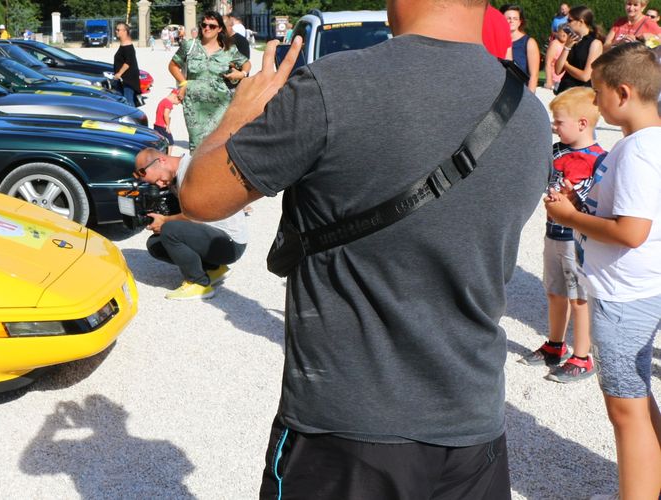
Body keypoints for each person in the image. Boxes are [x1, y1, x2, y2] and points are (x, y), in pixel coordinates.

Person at [180, 0, 549, 494]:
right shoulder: (528, 112)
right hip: (472, 426)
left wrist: (237, 114)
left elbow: (199, 197)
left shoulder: (334, 87)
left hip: (345, 427)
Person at [543, 42, 661, 500]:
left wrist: (569, 217)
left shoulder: (635, 151)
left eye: (597, 91)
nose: (594, 100)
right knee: (637, 400)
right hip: (638, 289)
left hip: (621, 298)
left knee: (624, 411)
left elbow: (631, 231)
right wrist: (580, 203)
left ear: (623, 93)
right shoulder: (649, 142)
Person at [521, 87, 603, 383]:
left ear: (582, 123)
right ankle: (555, 345)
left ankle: (582, 356)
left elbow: (601, 200)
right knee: (555, 291)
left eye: (558, 122)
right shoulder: (556, 151)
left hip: (578, 240)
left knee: (579, 298)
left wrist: (575, 194)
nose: (553, 127)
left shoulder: (599, 159)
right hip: (552, 233)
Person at [134, 148, 248, 300]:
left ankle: (199, 284)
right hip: (214, 234)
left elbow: (199, 215)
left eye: (159, 179)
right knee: (156, 244)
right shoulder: (177, 175)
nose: (161, 185)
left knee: (169, 229)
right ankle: (215, 268)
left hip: (230, 243)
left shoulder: (193, 171)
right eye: (156, 183)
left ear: (162, 160)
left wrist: (165, 221)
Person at [168, 12, 248, 152]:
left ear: (220, 29)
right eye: (204, 25)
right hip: (194, 105)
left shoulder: (228, 49)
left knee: (218, 145)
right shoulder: (190, 46)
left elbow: (246, 63)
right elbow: (173, 66)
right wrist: (183, 83)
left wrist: (241, 73)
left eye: (212, 26)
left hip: (221, 104)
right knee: (197, 146)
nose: (207, 28)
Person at [556, 6, 604, 94]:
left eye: (570, 21)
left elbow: (585, 76)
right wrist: (566, 47)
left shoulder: (595, 44)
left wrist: (566, 65)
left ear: (580, 22)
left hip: (581, 95)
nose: (567, 24)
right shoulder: (571, 40)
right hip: (564, 90)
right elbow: (558, 70)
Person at [502, 4, 540, 91]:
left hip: (520, 91)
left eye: (515, 18)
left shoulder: (529, 43)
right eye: (508, 18)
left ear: (520, 22)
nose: (511, 21)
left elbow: (534, 76)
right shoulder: (495, 41)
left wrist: (530, 99)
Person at [112, 22, 142, 107]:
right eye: (116, 29)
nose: (116, 31)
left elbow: (128, 62)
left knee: (128, 102)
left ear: (125, 31)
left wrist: (119, 73)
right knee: (122, 101)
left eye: (118, 30)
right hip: (122, 79)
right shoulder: (123, 45)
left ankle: (132, 119)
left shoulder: (128, 46)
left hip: (128, 80)